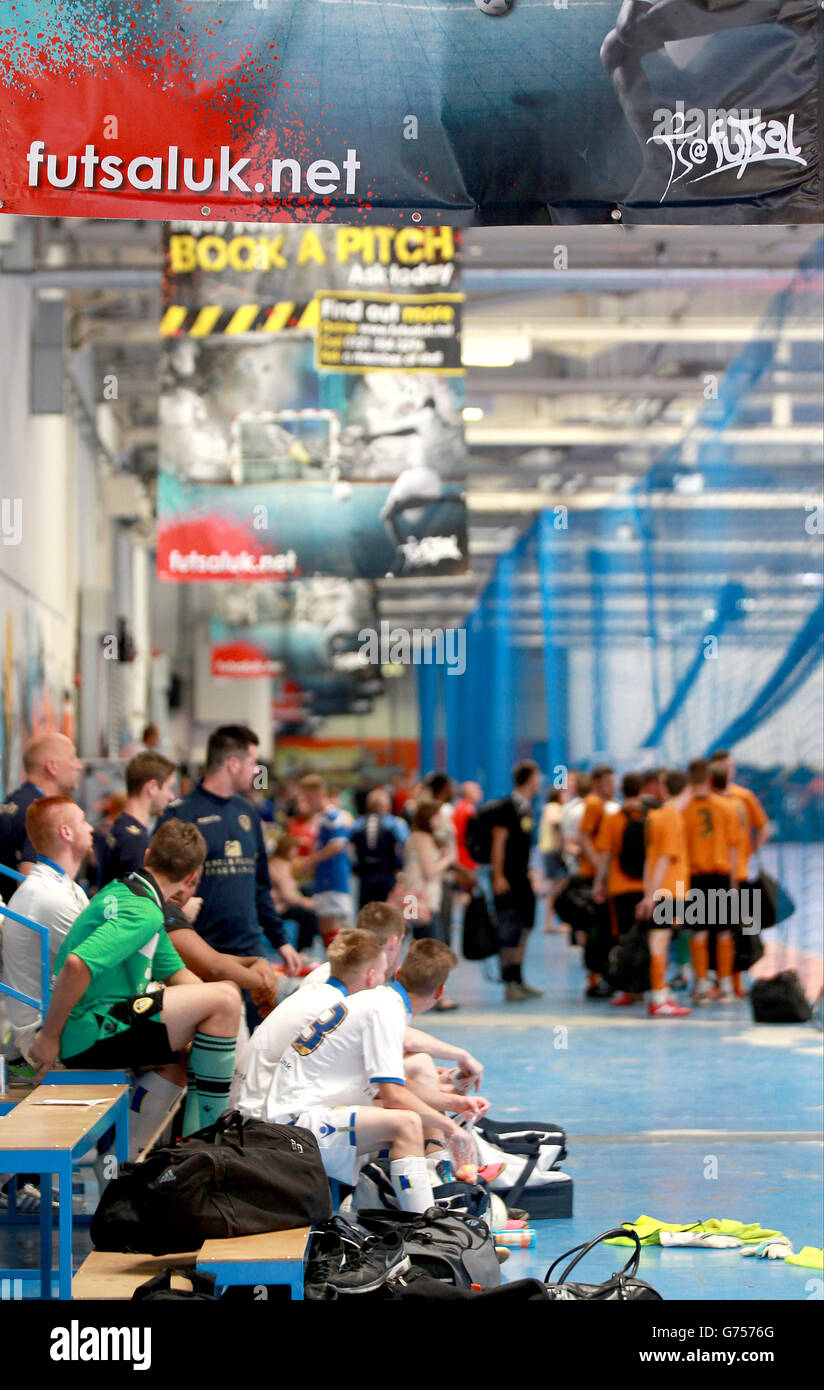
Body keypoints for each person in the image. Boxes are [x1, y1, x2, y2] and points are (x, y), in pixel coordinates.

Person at [29, 821, 242, 1132]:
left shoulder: (130, 893)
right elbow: (77, 964)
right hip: (87, 1028)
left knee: (180, 1058)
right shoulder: (144, 911)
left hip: (103, 1018)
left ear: (147, 855)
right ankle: (208, 1145)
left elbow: (180, 977)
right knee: (225, 999)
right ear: (192, 877)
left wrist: (223, 1023)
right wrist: (49, 1037)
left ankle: (121, 1162)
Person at [264, 939, 481, 1213]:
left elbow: (398, 1086)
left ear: (399, 973)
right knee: (407, 1123)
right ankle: (426, 1227)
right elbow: (394, 1097)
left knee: (412, 1115)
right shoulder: (386, 1011)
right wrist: (451, 1128)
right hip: (294, 1126)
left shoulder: (377, 1000)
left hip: (300, 1112)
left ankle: (424, 1195)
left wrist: (454, 1105)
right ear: (440, 992)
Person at [158, 725, 300, 980]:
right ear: (233, 763)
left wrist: (281, 941)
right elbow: (160, 886)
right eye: (253, 762)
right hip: (199, 951)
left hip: (249, 948)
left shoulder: (247, 812)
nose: (257, 770)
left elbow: (260, 885)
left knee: (261, 1018)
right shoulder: (181, 814)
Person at [2, 797, 93, 1060]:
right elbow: (95, 966)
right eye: (83, 821)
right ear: (66, 832)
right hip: (42, 1036)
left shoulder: (65, 888)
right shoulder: (47, 895)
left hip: (61, 1021)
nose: (90, 828)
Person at [681, 757, 740, 1004]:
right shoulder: (727, 807)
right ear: (709, 777)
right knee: (725, 931)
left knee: (699, 932)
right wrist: (735, 883)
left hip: (694, 876)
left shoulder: (682, 810)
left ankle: (702, 985)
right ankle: (726, 986)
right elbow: (734, 848)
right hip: (721, 874)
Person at [636, 769, 692, 1018]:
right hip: (670, 889)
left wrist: (648, 892)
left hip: (662, 888)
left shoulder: (655, 816)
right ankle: (659, 997)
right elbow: (664, 860)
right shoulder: (672, 817)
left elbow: (650, 860)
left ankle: (661, 992)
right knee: (660, 942)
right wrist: (652, 895)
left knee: (659, 941)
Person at [490, 759, 544, 1003]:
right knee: (510, 930)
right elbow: (498, 842)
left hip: (523, 878)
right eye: (538, 777)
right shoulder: (507, 806)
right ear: (530, 779)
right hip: (509, 879)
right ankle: (509, 982)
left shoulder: (527, 808)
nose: (540, 781)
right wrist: (498, 875)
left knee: (525, 926)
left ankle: (519, 979)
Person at [593, 772, 648, 1006]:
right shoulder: (652, 816)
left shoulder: (613, 818)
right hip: (647, 886)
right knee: (649, 937)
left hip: (621, 886)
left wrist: (599, 883)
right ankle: (647, 986)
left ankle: (627, 990)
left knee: (625, 938)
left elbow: (606, 854)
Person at [0, 734, 83, 878]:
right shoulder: (40, 812)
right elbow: (29, 882)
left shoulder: (12, 802)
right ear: (52, 767)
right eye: (72, 758)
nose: (79, 766)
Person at [97, 751, 177, 889]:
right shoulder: (135, 840)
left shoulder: (121, 826)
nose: (171, 797)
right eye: (169, 788)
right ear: (152, 787)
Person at [295, 774, 353, 946]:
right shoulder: (322, 817)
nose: (306, 802)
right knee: (325, 923)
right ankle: (334, 963)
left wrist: (310, 861)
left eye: (307, 797)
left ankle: (339, 964)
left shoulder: (331, 816)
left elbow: (337, 845)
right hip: (325, 877)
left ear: (317, 794)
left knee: (332, 923)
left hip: (333, 877)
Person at [575, 764, 616, 999]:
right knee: (597, 930)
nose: (614, 787)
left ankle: (598, 975)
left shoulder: (600, 805)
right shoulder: (593, 803)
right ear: (598, 782)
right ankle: (594, 977)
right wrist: (600, 867)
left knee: (600, 929)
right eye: (609, 782)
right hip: (592, 876)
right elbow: (583, 837)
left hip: (596, 873)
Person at [350, 788, 407, 909]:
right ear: (387, 805)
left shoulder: (357, 824)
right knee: (387, 912)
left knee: (366, 911)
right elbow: (406, 844)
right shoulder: (395, 823)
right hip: (388, 875)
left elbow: (348, 848)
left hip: (364, 877)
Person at [267, 832, 320, 953]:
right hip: (276, 908)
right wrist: (308, 903)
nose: (296, 852)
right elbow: (288, 895)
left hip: (278, 904)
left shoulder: (277, 863)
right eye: (295, 849)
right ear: (287, 849)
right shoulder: (280, 865)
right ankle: (303, 950)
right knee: (310, 915)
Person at [538, 787, 568, 932]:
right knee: (557, 886)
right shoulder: (553, 807)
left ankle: (553, 921)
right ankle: (550, 922)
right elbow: (555, 821)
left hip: (550, 850)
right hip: (552, 851)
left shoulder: (551, 807)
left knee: (556, 886)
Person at [452, 781, 482, 888]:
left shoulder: (459, 806)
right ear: (469, 793)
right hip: (465, 859)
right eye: (477, 789)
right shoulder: (468, 810)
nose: (480, 792)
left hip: (460, 857)